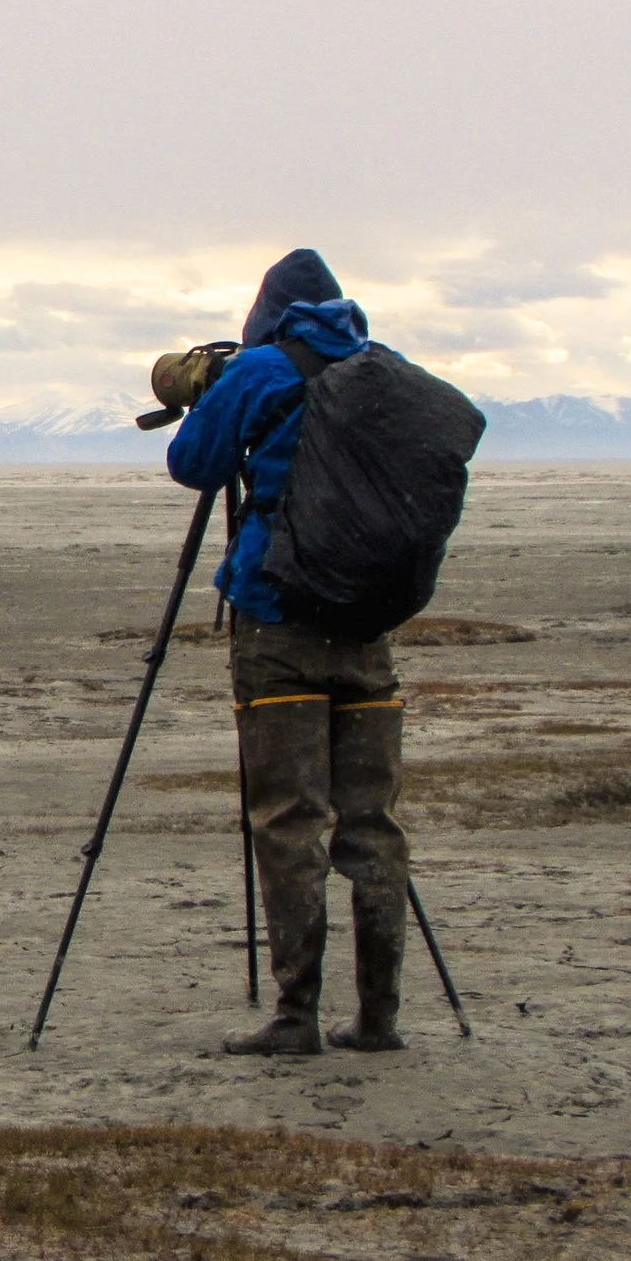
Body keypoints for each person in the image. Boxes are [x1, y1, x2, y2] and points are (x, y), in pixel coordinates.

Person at [166, 249, 409, 1056]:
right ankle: (379, 1018)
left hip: (278, 625)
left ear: (265, 311)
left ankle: (295, 1015)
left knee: (288, 819)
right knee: (372, 822)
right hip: (369, 625)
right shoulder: (384, 371)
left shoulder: (262, 370)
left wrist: (215, 392)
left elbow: (192, 463)